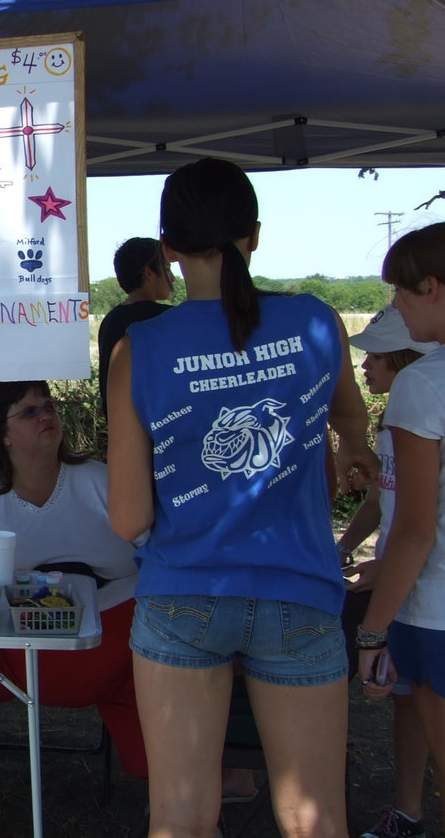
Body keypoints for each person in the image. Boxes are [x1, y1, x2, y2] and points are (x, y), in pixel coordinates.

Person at [106, 157, 376, 838]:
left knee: (181, 819)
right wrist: (353, 452)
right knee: (313, 819)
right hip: (302, 595)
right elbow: (350, 418)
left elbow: (129, 518)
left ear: (167, 248)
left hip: (181, 597)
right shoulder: (318, 323)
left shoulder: (138, 348)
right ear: (253, 235)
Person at [0, 380, 148, 834]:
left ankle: (170, 795)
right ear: (1, 434)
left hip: (105, 645)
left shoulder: (101, 480)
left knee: (165, 632)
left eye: (49, 406)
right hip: (10, 650)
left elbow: (157, 551)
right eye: (29, 412)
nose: (47, 416)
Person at [357, 222, 445, 838]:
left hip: (434, 611)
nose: (395, 308)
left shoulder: (424, 384)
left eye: (399, 296)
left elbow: (415, 531)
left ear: (433, 288)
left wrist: (371, 632)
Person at [337, 305, 437, 838]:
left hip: (424, 592)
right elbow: (381, 500)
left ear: (406, 360)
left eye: (376, 356)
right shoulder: (391, 425)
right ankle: (408, 811)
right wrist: (346, 548)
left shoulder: (423, 407)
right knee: (407, 703)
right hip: (406, 585)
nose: (365, 367)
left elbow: (420, 528)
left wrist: (387, 575)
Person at [97, 237, 175, 416]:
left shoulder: (110, 321)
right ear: (148, 273)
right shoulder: (167, 318)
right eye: (168, 269)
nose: (173, 278)